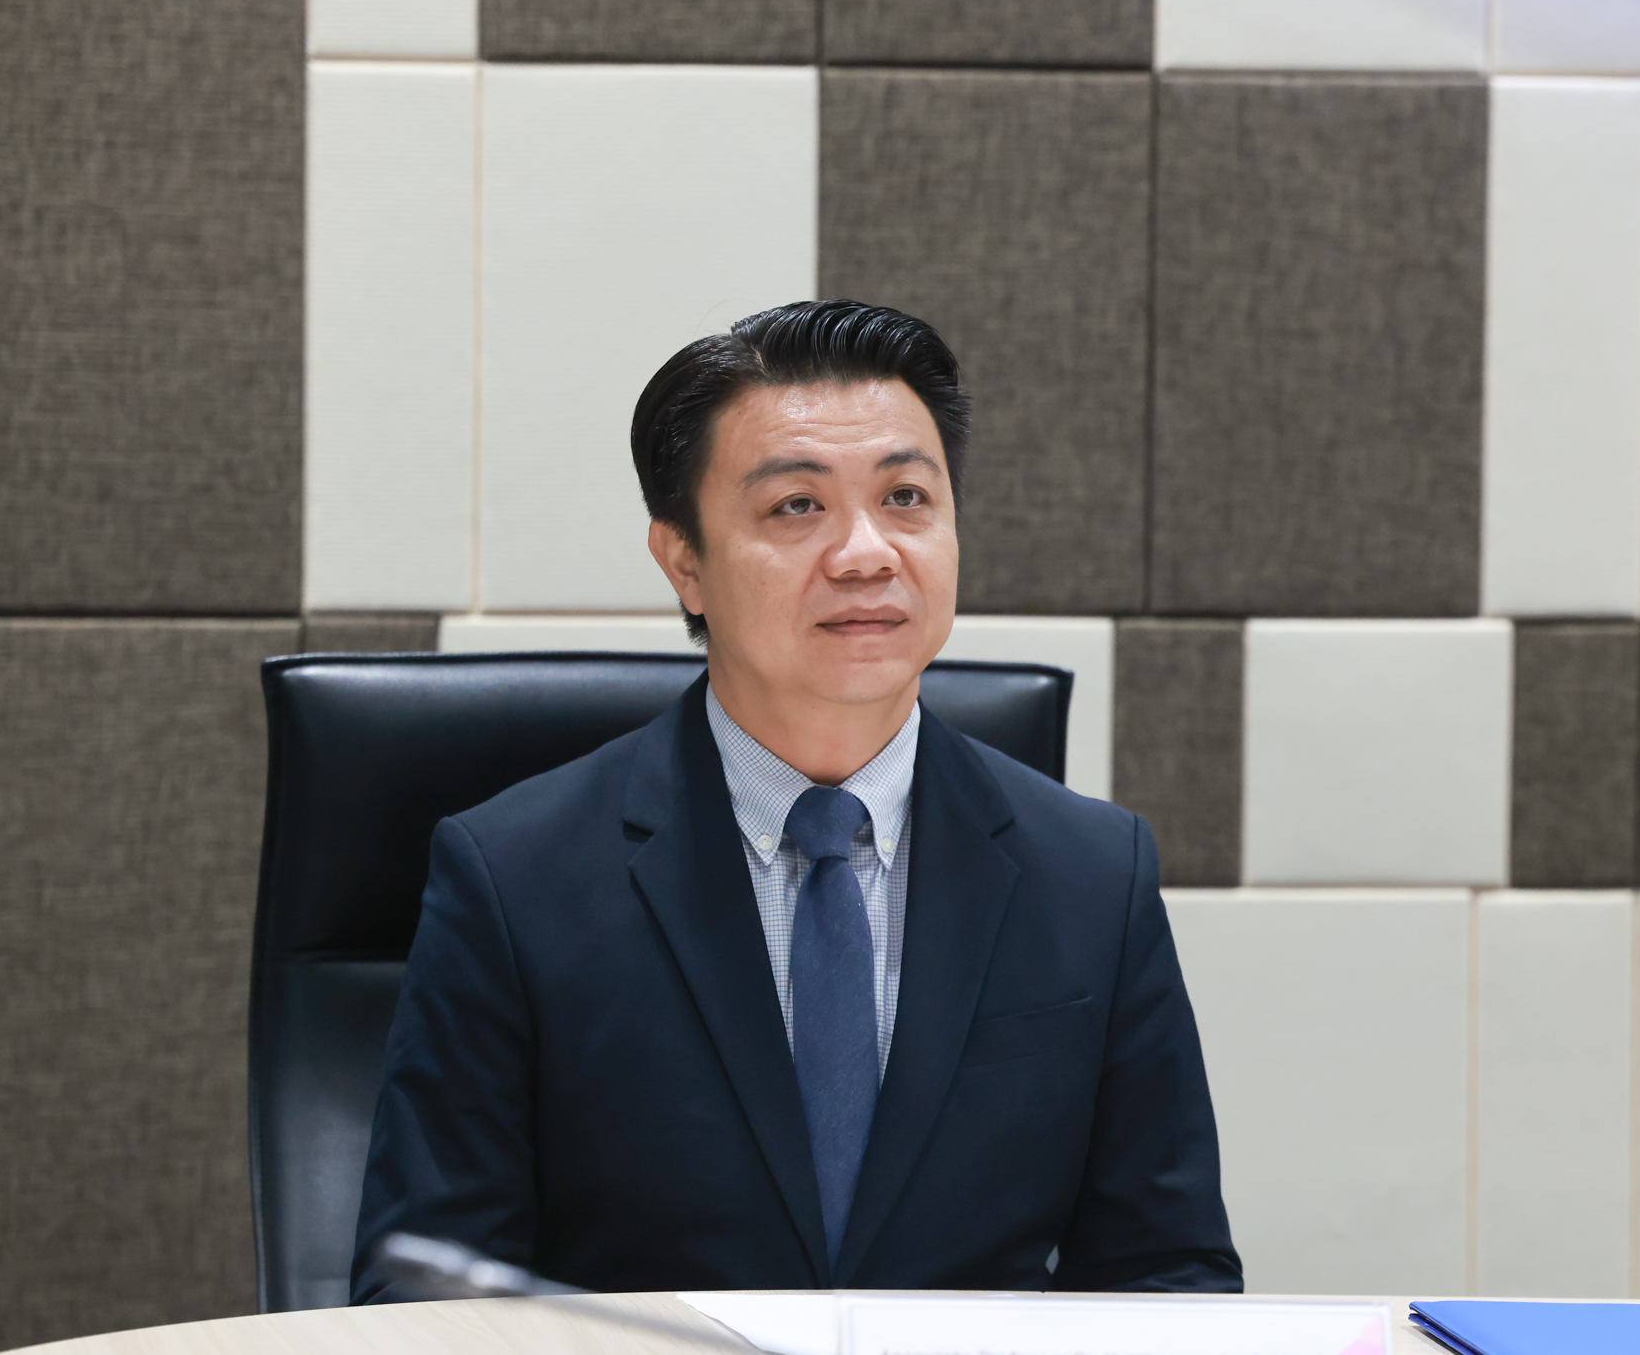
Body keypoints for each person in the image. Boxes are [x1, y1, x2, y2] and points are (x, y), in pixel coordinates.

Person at [351, 300, 1240, 1298]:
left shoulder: (1093, 874)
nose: (866, 552)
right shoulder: (513, 878)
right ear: (684, 562)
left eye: (906, 497)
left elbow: (1167, 1274)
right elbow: (423, 1296)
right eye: (796, 506)